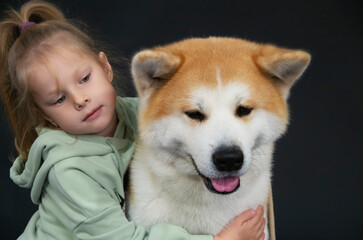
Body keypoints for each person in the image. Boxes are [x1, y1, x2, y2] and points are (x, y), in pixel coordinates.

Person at [0, 1, 266, 239]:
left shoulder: (135, 114)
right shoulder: (68, 171)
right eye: (59, 99)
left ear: (105, 67)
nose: (80, 99)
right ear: (46, 116)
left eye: (84, 79)